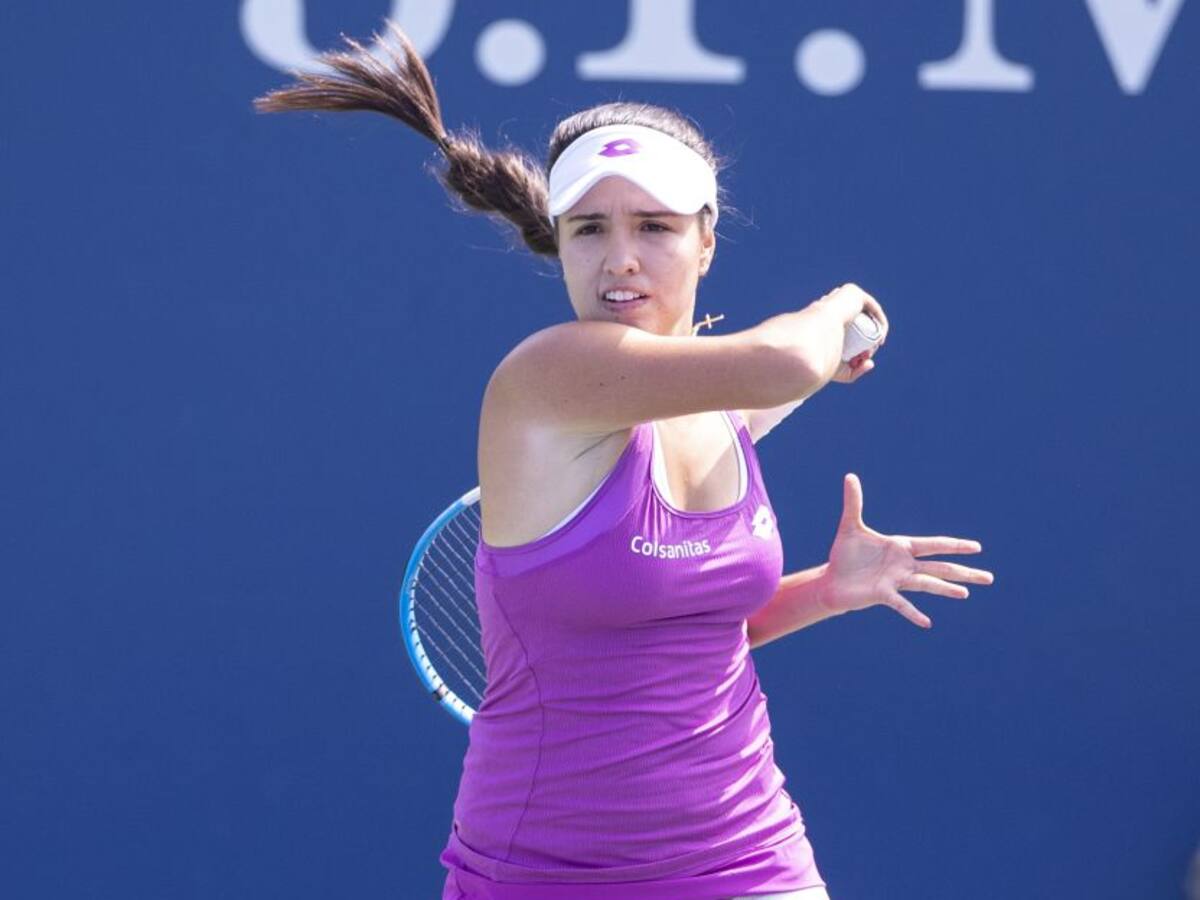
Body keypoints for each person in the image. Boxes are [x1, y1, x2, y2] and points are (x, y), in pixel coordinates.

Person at [256, 22, 995, 900]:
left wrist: (828, 590)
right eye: (590, 231)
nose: (621, 261)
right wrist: (838, 309)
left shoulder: (719, 409)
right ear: (558, 243)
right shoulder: (549, 376)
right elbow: (791, 361)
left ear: (706, 241)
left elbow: (693, 639)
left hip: (748, 855)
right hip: (546, 873)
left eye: (655, 227)